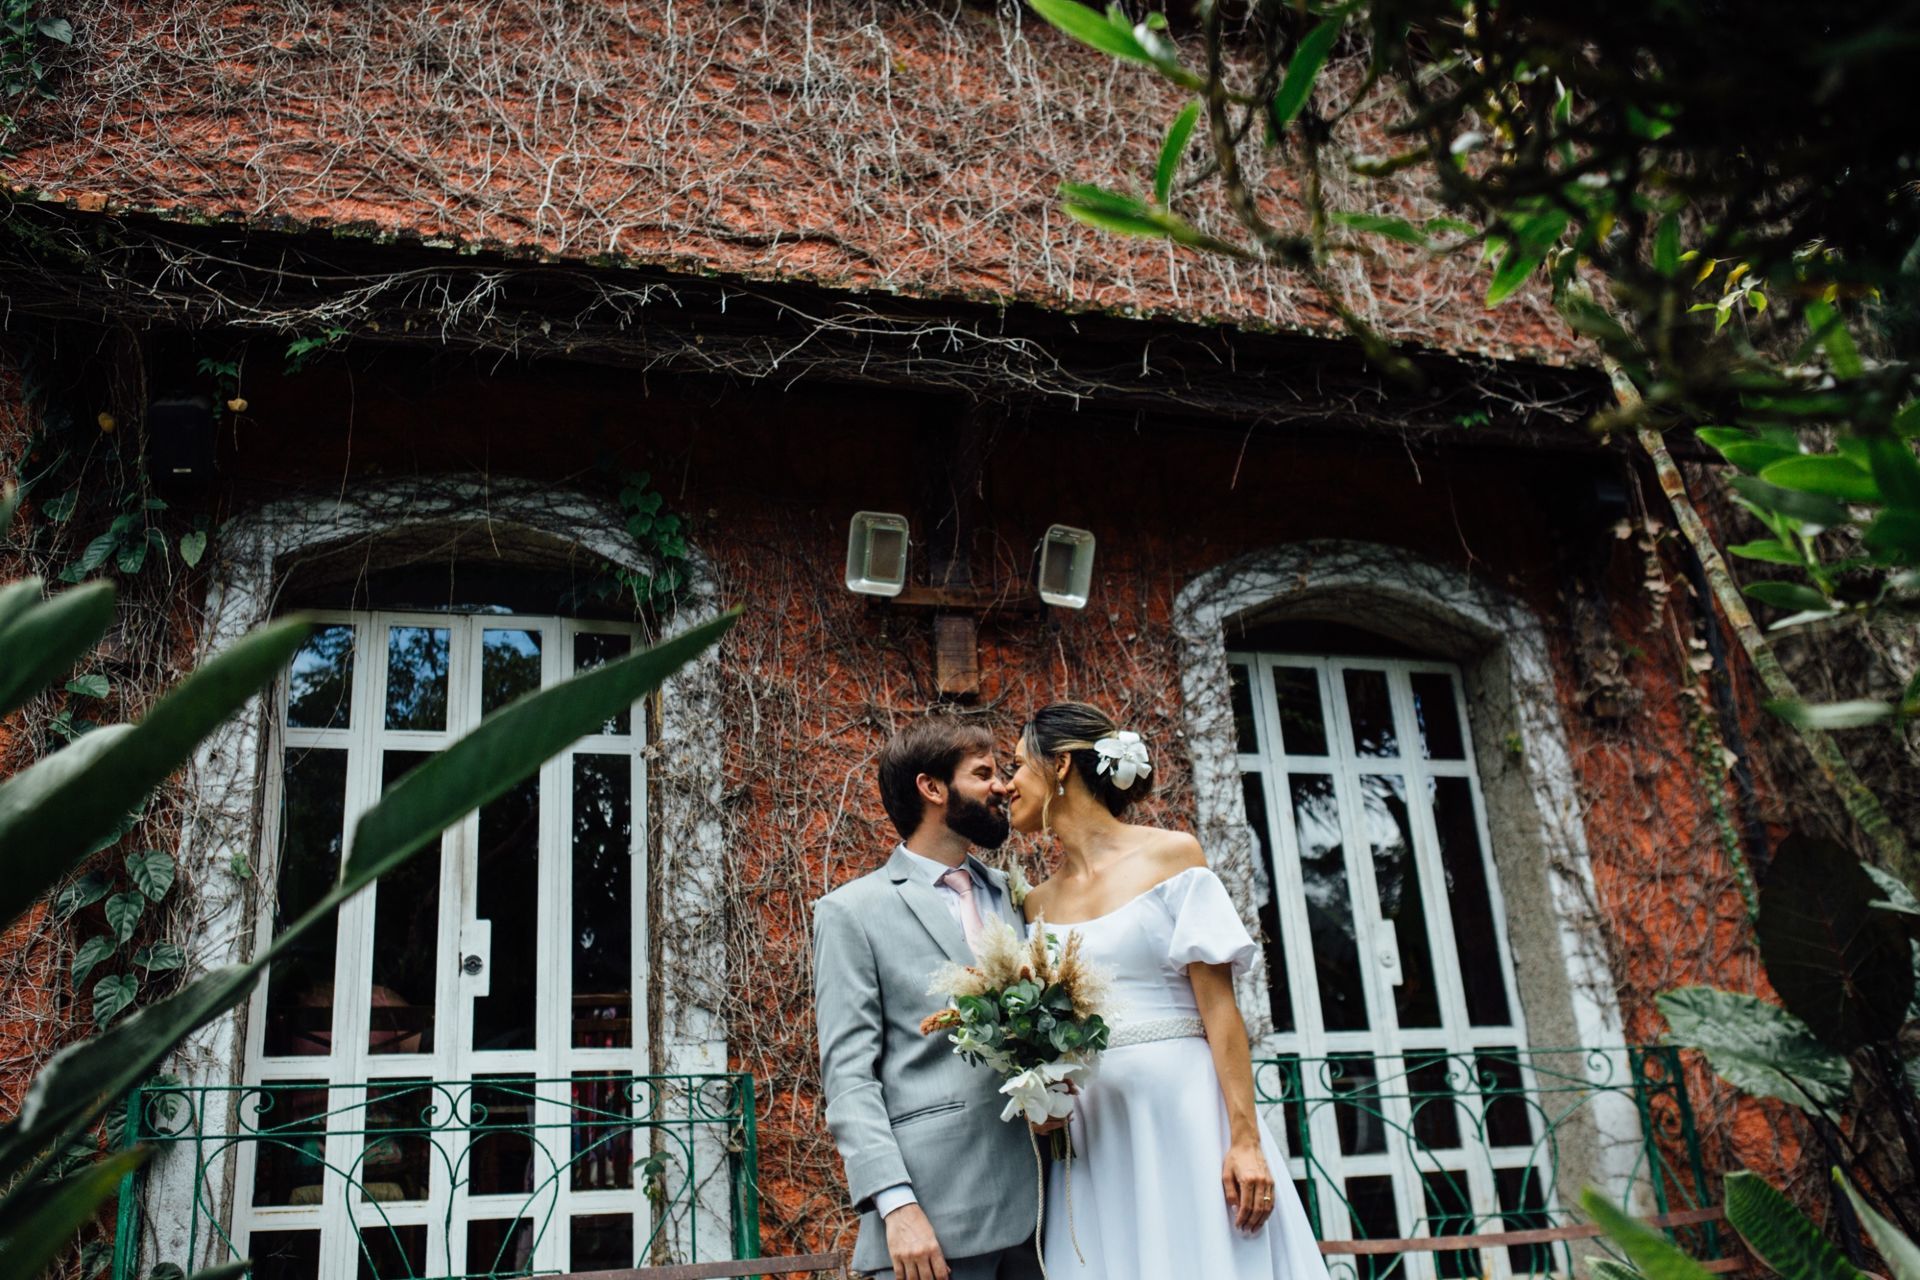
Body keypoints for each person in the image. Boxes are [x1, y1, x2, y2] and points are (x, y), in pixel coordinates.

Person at [1006, 701, 1330, 1280]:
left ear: (1057, 766)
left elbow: (1222, 1012)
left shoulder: (1173, 856)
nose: (1007, 785)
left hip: (1183, 1115)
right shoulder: (1035, 905)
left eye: (1017, 767)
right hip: (1096, 1133)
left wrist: (1246, 1140)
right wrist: (1043, 1100)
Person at [813, 717, 1045, 1280]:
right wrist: (897, 1207)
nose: (1003, 786)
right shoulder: (851, 913)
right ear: (933, 788)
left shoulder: (1016, 896)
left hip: (1044, 1217)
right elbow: (849, 1077)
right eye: (984, 773)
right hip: (934, 1227)